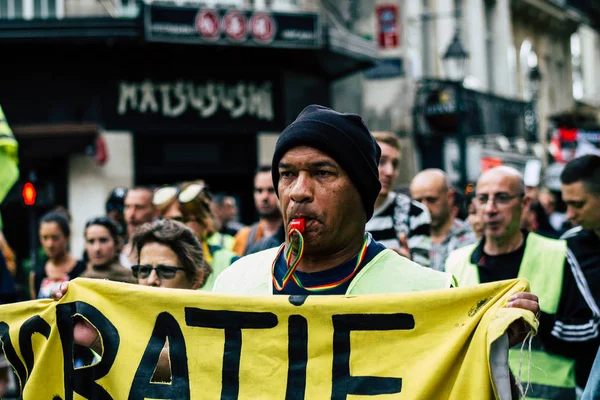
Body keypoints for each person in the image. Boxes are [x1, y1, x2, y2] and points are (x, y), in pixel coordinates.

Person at [53, 105, 538, 390]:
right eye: (287, 174)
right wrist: (101, 335)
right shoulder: (239, 280)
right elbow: (193, 369)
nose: (298, 192)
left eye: (323, 173)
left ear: (364, 192)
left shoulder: (426, 290)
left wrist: (492, 347)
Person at [445, 166, 597, 399]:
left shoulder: (557, 253)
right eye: (483, 199)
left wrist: (540, 321)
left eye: (502, 198)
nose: (490, 209)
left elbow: (591, 330)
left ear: (525, 203)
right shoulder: (456, 262)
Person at [559, 154, 600, 389]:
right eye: (567, 204)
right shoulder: (569, 244)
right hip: (587, 383)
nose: (570, 214)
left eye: (578, 204)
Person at [153, 180, 237, 290]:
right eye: (172, 220)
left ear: (204, 221)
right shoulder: (150, 264)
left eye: (185, 219)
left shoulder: (230, 262)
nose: (177, 227)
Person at [366, 132, 432, 267]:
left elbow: (425, 274)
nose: (390, 171)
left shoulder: (414, 213)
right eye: (382, 161)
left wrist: (408, 265)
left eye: (395, 164)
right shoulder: (345, 212)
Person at [410, 169, 477, 271]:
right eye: (418, 201)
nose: (424, 207)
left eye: (431, 200)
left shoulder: (471, 237)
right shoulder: (411, 241)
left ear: (450, 197)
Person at [30, 211, 87, 299]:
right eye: (45, 238)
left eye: (55, 238)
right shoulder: (36, 274)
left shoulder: (83, 269)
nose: (50, 244)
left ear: (66, 237)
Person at [233, 166, 283, 256]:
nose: (264, 197)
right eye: (259, 191)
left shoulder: (295, 235)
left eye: (271, 190)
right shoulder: (243, 237)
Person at [79, 217, 137, 284]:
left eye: (103, 240)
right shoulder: (81, 282)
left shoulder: (132, 280)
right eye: (91, 241)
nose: (97, 248)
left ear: (117, 243)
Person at [121, 186, 158, 268]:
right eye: (127, 207)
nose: (131, 214)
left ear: (155, 211)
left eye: (139, 207)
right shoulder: (116, 248)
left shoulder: (163, 249)